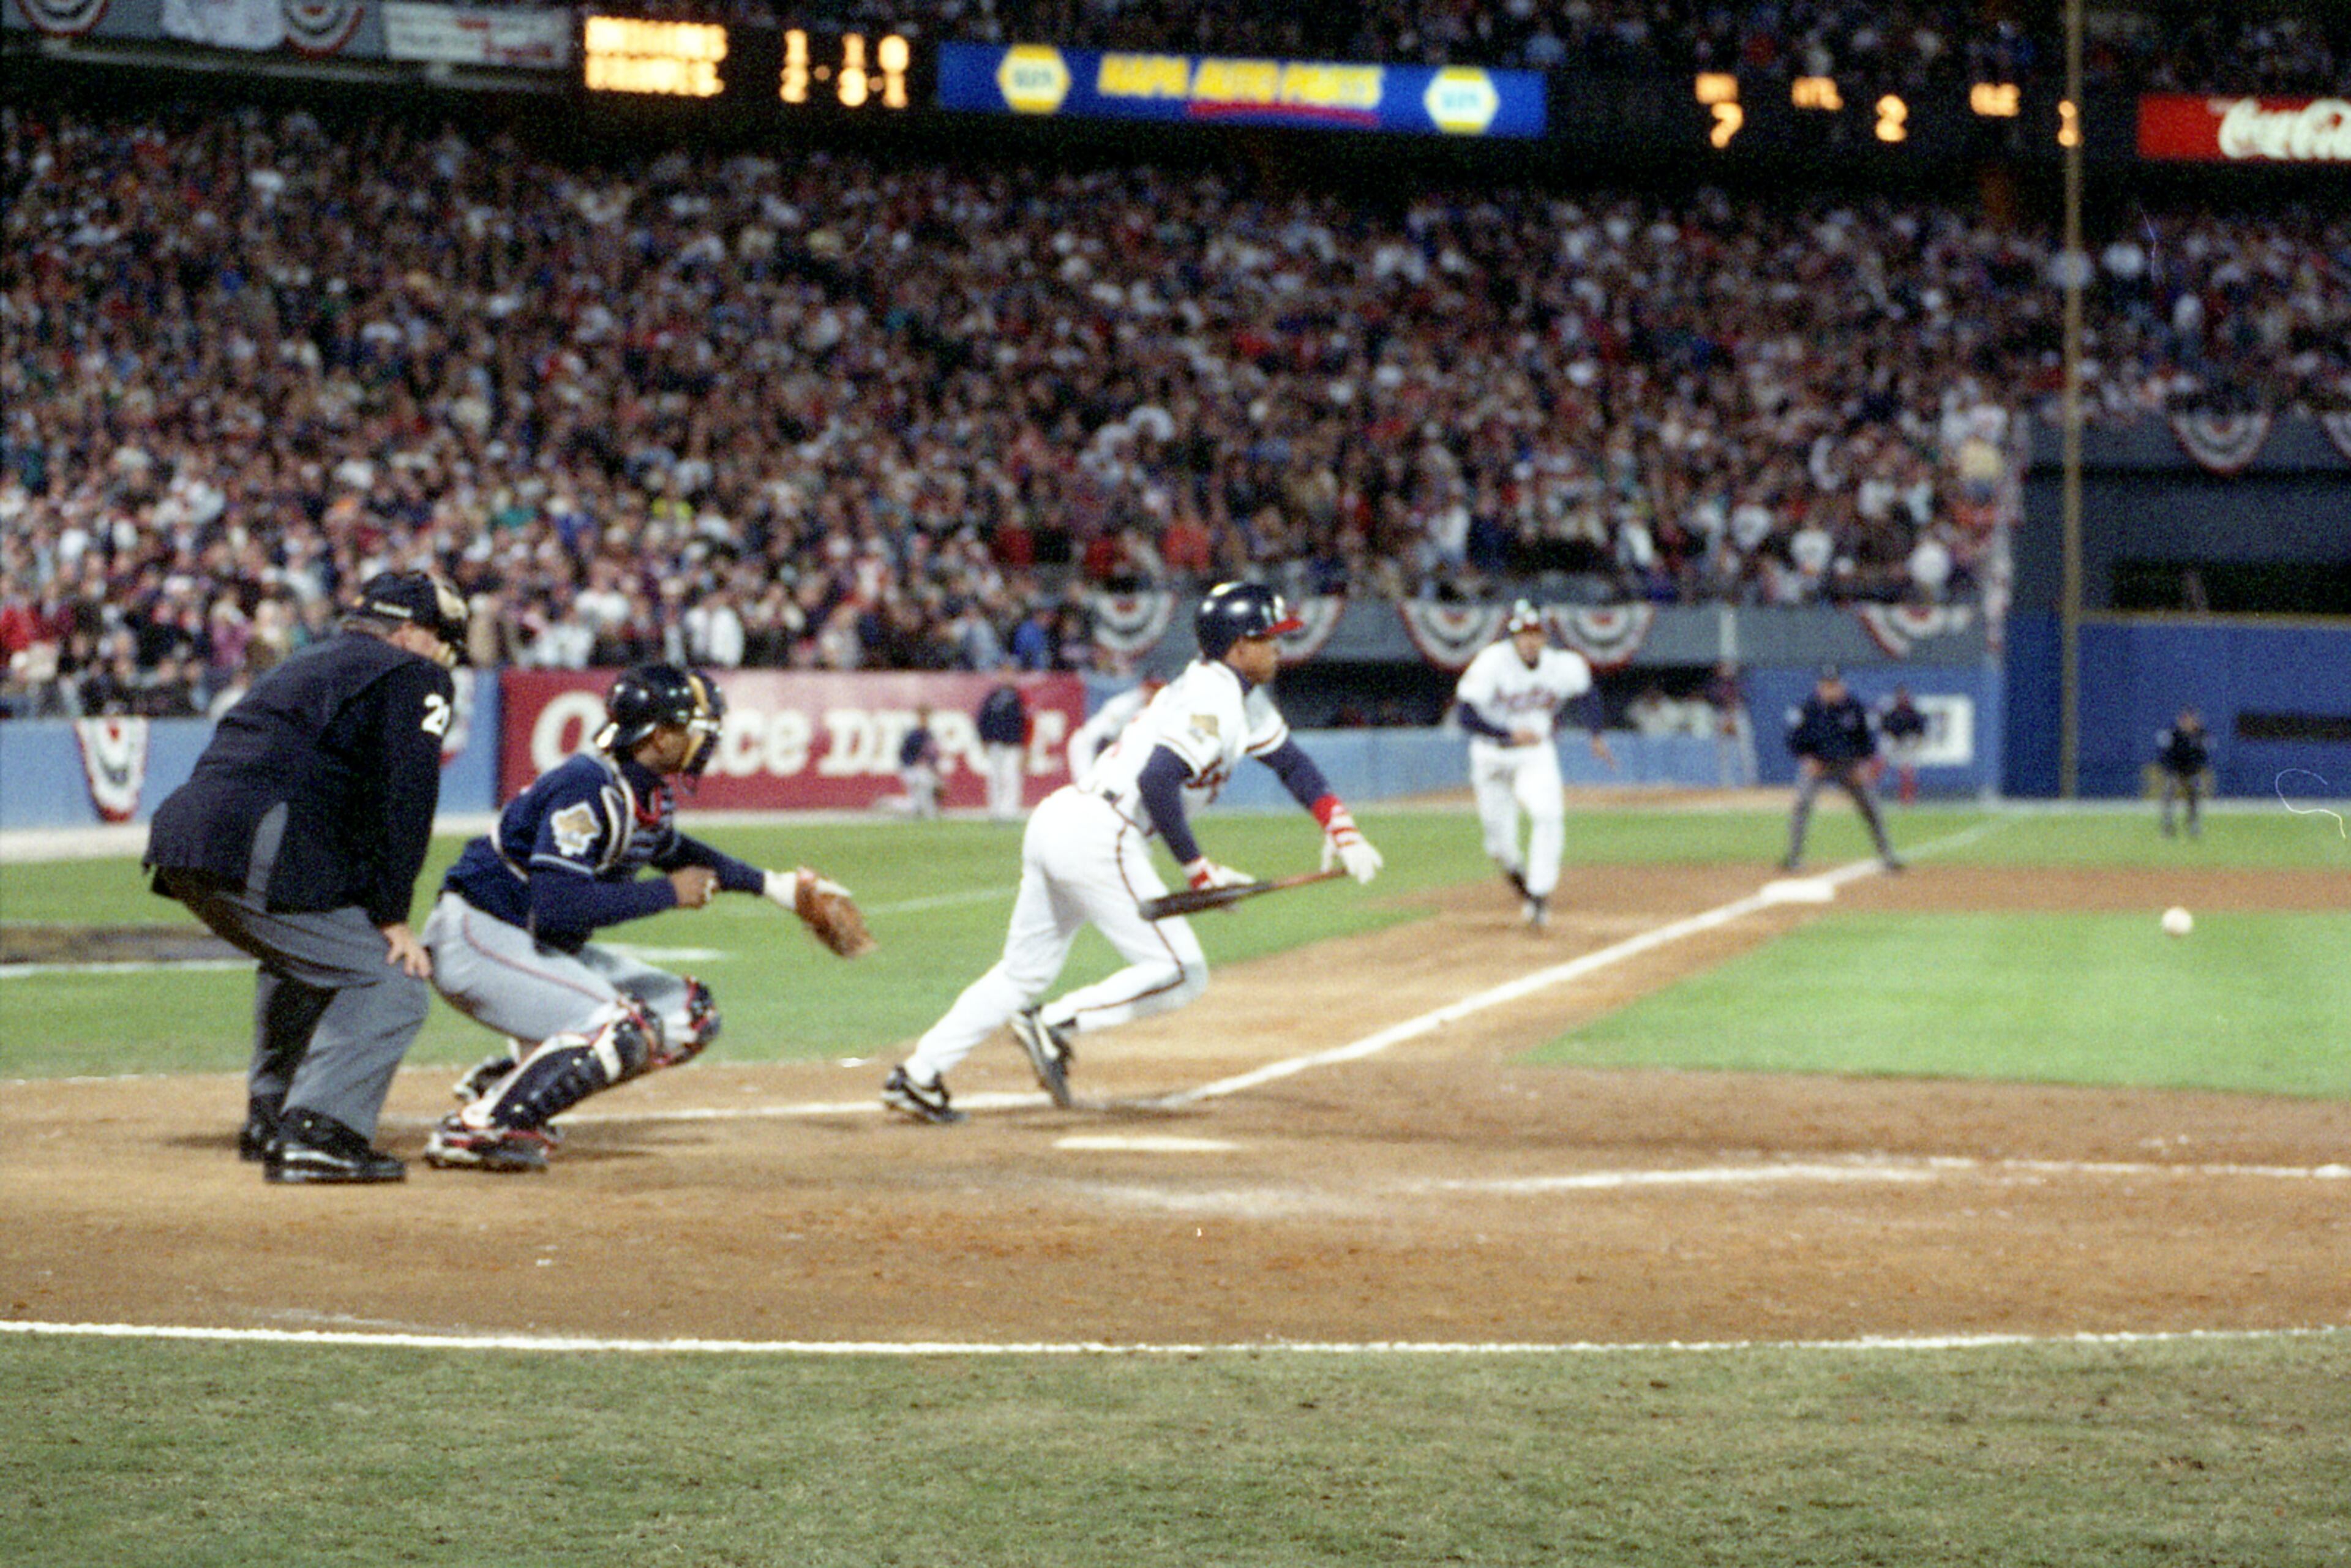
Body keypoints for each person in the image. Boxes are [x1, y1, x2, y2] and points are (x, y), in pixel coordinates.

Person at [881, 582, 1384, 1124]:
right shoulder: (1214, 698)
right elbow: (1158, 780)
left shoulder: (1236, 696)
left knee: (1020, 973)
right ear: (1240, 646)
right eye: (1271, 640)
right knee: (1181, 970)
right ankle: (1053, 1022)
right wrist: (1198, 870)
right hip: (1103, 830)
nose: (1280, 650)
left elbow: (1292, 764)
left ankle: (918, 1075)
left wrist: (1341, 826)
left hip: (1065, 819)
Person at [419, 664, 842, 1171]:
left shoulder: (642, 789)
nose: (706, 743)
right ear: (661, 736)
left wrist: (777, 888)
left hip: (530, 941)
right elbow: (561, 905)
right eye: (698, 731)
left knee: (690, 1015)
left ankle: (514, 1081)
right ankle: (476, 1129)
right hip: (479, 935)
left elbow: (678, 850)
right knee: (618, 1028)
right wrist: (667, 893)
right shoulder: (587, 787)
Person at [143, 569, 467, 1184]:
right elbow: (406, 794)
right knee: (390, 981)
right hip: (261, 836)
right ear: (412, 630)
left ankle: (271, 1115)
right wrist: (393, 913)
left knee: (309, 958)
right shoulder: (414, 671)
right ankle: (319, 1129)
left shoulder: (309, 660)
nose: (442, 656)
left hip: (189, 832)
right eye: (439, 639)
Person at [1450, 600, 1616, 931]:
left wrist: (1595, 734)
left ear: (1545, 636)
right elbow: (1465, 715)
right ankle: (1526, 889)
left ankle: (1539, 896)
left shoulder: (1561, 666)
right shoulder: (1492, 662)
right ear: (1513, 636)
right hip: (1491, 754)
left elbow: (1587, 694)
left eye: (1535, 633)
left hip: (1535, 754)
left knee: (1548, 814)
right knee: (1499, 846)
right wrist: (1507, 732)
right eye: (1523, 634)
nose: (1529, 640)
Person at [1782, 664, 1902, 873]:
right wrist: (1806, 759)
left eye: (1834, 685)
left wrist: (1862, 765)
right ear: (1819, 687)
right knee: (1801, 805)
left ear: (1842, 685)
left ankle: (1888, 857)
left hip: (1850, 767)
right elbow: (1794, 738)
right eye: (1827, 685)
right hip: (1818, 766)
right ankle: (1793, 858)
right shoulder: (1809, 708)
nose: (1831, 689)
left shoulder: (1854, 707)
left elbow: (1868, 739)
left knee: (1872, 809)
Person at [1065, 674, 1165, 788]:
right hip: (1087, 746)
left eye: (1157, 690)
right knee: (1087, 787)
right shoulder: (1125, 705)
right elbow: (1103, 740)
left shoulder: (1153, 707)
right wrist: (1100, 770)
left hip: (1104, 746)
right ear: (1143, 687)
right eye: (1151, 689)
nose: (1154, 693)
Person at [977, 674, 1028, 822]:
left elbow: (1025, 722)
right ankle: (995, 810)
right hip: (996, 743)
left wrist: (1025, 745)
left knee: (1012, 777)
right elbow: (982, 719)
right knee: (995, 778)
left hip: (1014, 744)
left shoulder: (1018, 696)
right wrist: (984, 740)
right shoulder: (992, 696)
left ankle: (1011, 811)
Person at [2155, 706, 2211, 838]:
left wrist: (2196, 771)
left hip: (2191, 771)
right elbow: (2166, 756)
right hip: (2175, 771)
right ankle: (2167, 827)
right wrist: (2170, 772)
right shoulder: (2173, 734)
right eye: (2186, 719)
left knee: (2194, 793)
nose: (2190, 722)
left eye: (2192, 719)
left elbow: (2202, 757)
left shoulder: (2200, 735)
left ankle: (2193, 825)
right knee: (2169, 792)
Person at [1706, 659, 1758, 788]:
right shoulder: (1715, 685)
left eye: (1729, 667)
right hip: (1722, 715)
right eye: (1723, 668)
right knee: (1724, 751)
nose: (1727, 670)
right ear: (1718, 670)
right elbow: (1715, 701)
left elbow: (1743, 699)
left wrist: (1733, 717)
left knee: (1746, 750)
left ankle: (1751, 781)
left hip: (1739, 714)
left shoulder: (1739, 682)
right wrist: (1728, 718)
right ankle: (1726, 782)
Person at [1878, 685, 1929, 806]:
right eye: (1900, 696)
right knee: (1879, 763)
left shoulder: (1914, 713)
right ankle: (1869, 792)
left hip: (1908, 744)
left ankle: (1907, 799)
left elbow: (1920, 734)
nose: (1902, 699)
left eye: (1904, 696)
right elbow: (1885, 730)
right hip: (1893, 742)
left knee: (1907, 770)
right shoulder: (1891, 712)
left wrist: (1915, 745)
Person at [898, 705, 943, 819]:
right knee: (922, 787)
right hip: (911, 769)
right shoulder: (913, 735)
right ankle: (926, 813)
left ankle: (925, 813)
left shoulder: (929, 734)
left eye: (926, 716)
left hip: (925, 770)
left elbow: (934, 756)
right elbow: (904, 755)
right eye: (922, 716)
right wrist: (915, 763)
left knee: (923, 793)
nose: (925, 719)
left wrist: (935, 770)